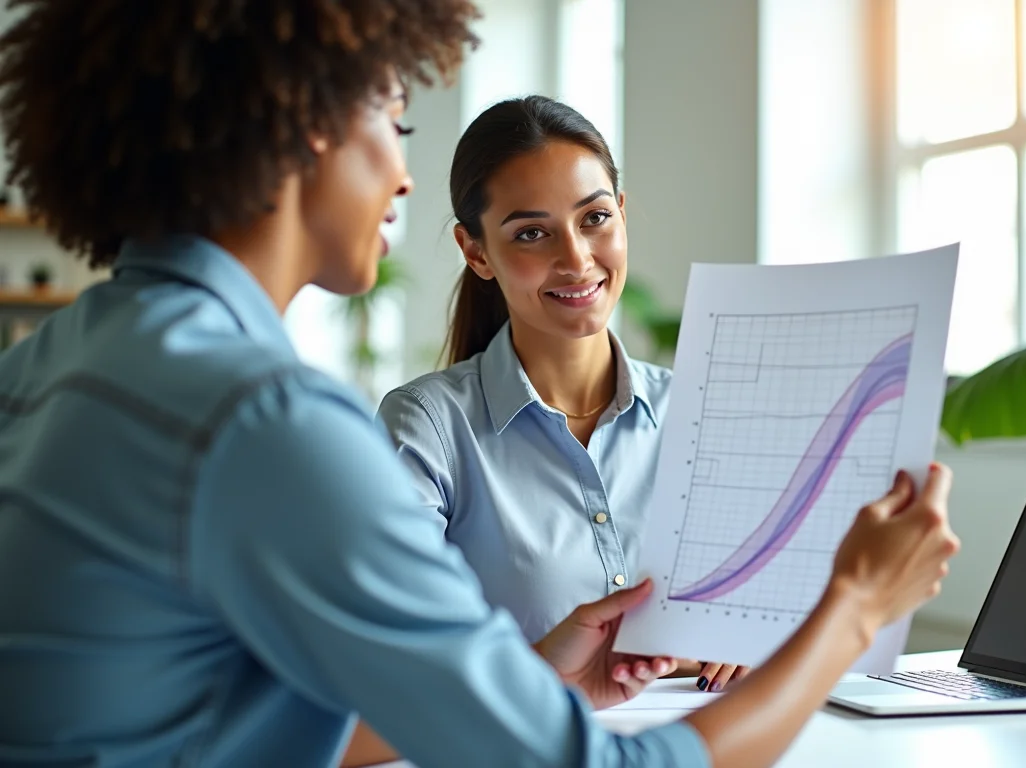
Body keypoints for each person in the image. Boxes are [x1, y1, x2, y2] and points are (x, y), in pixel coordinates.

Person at [0, 3, 960, 768]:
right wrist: (857, 610)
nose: (406, 176)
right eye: (394, 119)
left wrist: (541, 684)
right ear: (304, 131)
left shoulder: (44, 365)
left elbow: (228, 730)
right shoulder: (265, 421)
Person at [378, 96, 741, 693]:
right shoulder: (426, 427)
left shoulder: (698, 413)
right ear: (477, 252)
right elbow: (400, 654)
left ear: (621, 215)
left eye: (594, 218)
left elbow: (754, 614)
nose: (575, 258)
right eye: (531, 233)